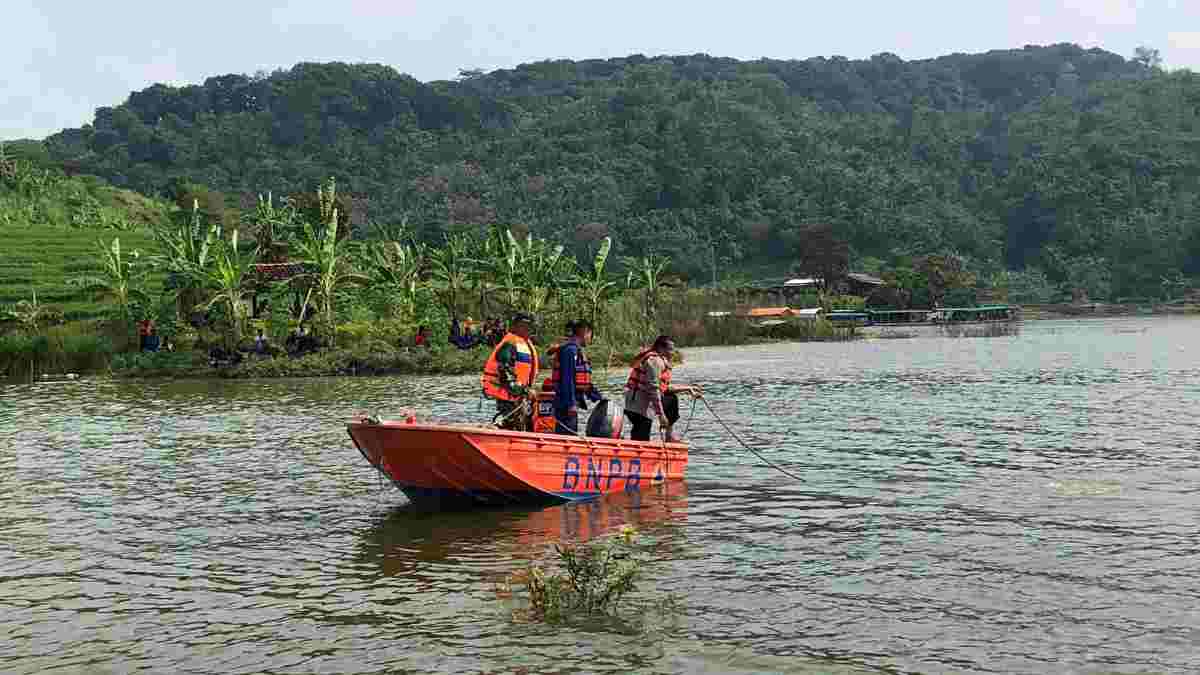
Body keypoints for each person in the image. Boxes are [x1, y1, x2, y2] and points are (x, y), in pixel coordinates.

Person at [623, 335, 701, 442]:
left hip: (636, 405)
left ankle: (669, 437)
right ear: (660, 348)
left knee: (671, 399)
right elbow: (654, 390)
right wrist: (661, 415)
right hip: (639, 408)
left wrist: (689, 388)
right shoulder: (655, 361)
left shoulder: (658, 359)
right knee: (641, 441)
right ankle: (637, 454)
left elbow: (664, 388)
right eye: (670, 349)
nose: (672, 352)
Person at [543, 320, 603, 435]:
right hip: (565, 404)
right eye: (590, 334)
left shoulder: (576, 350)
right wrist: (570, 404)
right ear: (584, 332)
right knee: (567, 435)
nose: (590, 338)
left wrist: (598, 397)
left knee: (571, 432)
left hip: (571, 402)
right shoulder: (570, 350)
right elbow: (567, 379)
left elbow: (582, 382)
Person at [481, 313, 539, 430]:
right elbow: (504, 372)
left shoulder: (523, 343)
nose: (529, 330)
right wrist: (524, 391)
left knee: (521, 423)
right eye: (527, 326)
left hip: (517, 395)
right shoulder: (510, 343)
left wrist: (524, 392)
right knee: (513, 423)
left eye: (530, 327)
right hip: (508, 395)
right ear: (518, 326)